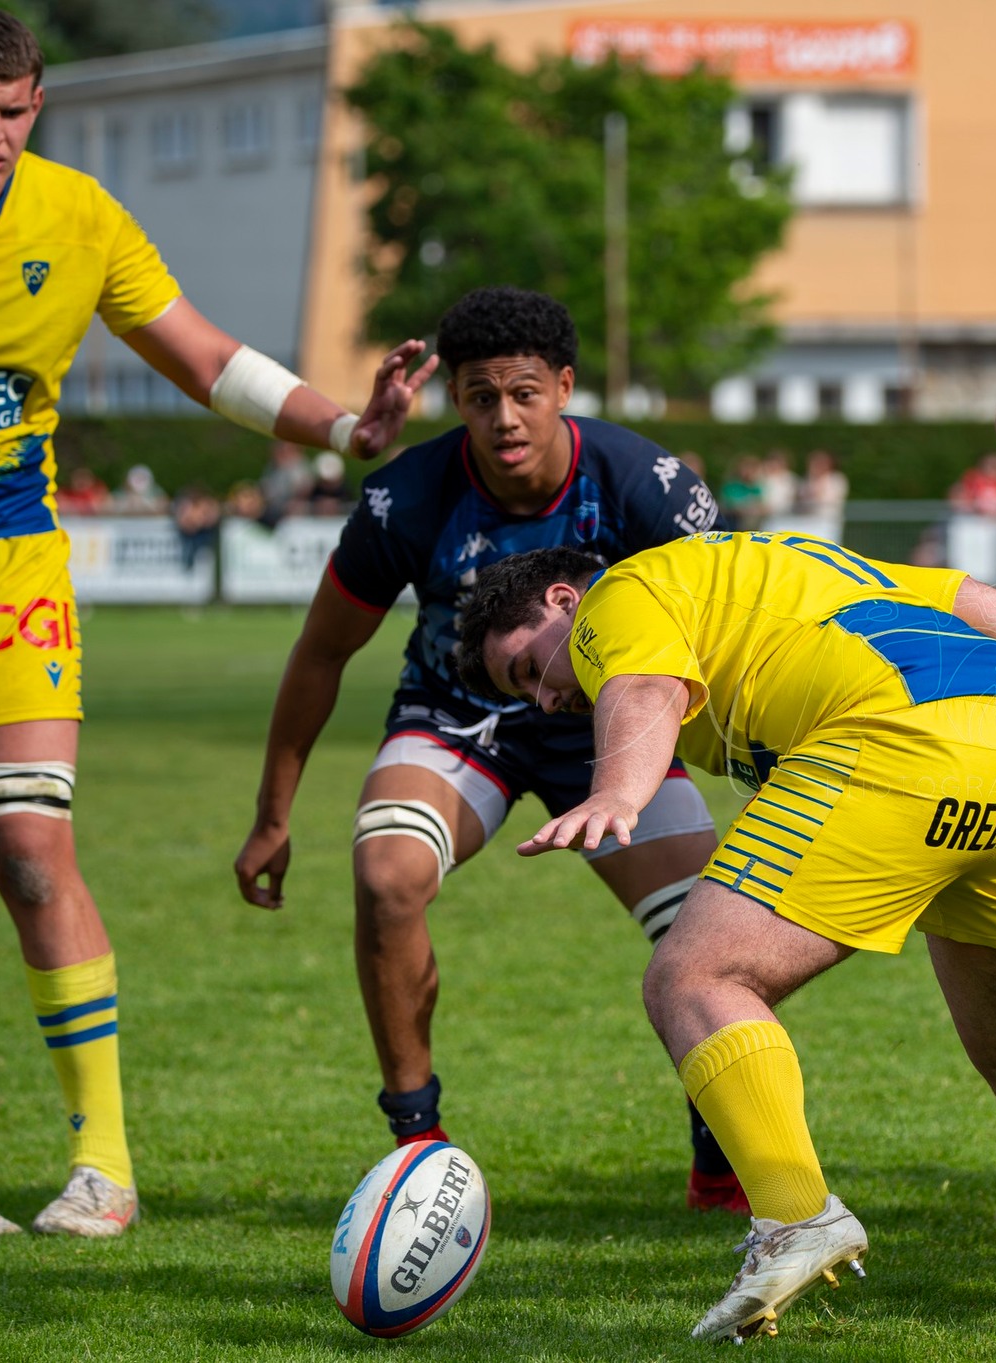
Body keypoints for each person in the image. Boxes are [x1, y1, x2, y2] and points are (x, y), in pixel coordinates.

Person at [0, 4, 430, 1237]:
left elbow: (202, 358)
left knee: (32, 849)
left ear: (38, 108)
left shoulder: (77, 215)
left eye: (14, 113)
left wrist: (348, 426)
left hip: (10, 569)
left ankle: (104, 1168)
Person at [453, 533, 996, 1338]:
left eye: (527, 672)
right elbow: (968, 598)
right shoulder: (777, 564)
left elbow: (645, 681)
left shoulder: (620, 594)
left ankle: (795, 1217)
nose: (544, 700)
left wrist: (616, 790)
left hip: (901, 737)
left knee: (694, 976)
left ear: (561, 601)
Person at [230, 287, 745, 1209]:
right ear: (452, 401)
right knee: (387, 872)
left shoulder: (643, 480)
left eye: (524, 393)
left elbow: (741, 612)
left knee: (714, 927)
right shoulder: (409, 495)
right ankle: (416, 1147)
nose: (503, 419)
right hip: (458, 717)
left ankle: (721, 1152)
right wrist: (273, 815)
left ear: (565, 387)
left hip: (610, 724)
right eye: (478, 397)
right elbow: (321, 652)